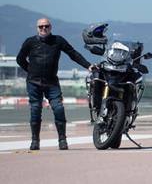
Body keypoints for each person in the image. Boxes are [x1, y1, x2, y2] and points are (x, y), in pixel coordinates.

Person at [16, 17, 95, 150]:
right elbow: (20, 59)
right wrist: (30, 70)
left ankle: (62, 140)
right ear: (37, 28)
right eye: (41, 27)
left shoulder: (58, 41)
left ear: (50, 27)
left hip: (51, 82)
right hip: (33, 82)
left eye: (46, 26)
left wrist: (88, 65)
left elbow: (73, 54)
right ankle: (35, 141)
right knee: (35, 110)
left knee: (58, 108)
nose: (44, 29)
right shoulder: (30, 42)